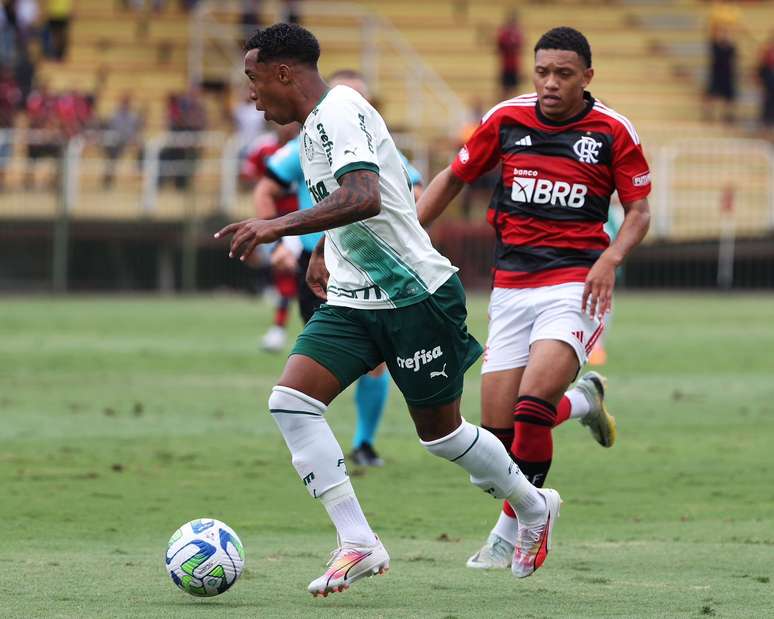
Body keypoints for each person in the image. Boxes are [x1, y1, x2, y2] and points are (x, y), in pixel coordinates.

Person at [215, 23, 562, 596]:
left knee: (442, 436)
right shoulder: (310, 129)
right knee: (291, 403)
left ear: (283, 73)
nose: (251, 94)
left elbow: (365, 195)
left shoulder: (340, 112)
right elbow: (348, 203)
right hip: (353, 302)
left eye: (253, 80)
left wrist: (279, 226)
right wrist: (325, 249)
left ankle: (532, 504)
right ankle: (358, 541)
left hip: (416, 298)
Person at [417, 26, 651, 570]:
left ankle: (518, 529)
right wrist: (406, 236)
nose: (550, 84)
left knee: (530, 409)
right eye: (542, 72)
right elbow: (453, 178)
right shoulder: (506, 119)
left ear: (587, 77)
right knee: (497, 444)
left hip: (575, 284)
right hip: (511, 288)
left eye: (563, 74)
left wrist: (610, 259)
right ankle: (585, 402)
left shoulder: (613, 131)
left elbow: (639, 212)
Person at [254, 68, 424, 467]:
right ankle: (313, 441)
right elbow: (266, 187)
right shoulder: (304, 144)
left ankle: (363, 443)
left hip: (370, 267)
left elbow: (416, 188)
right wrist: (279, 243)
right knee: (322, 358)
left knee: (375, 361)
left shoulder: (375, 144)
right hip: (317, 267)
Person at [496, 11, 523, 100]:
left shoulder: (518, 34)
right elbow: (499, 46)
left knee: (515, 90)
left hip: (515, 67)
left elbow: (520, 48)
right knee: (504, 90)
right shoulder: (504, 34)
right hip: (506, 66)